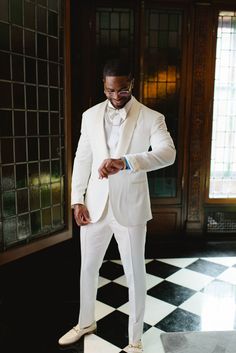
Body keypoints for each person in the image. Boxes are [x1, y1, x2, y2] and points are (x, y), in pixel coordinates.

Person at [58, 58, 176, 352]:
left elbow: (168, 153)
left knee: (135, 273)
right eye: (110, 91)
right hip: (95, 207)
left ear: (131, 84)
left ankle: (134, 340)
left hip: (131, 208)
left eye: (122, 91)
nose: (115, 97)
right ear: (104, 85)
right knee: (88, 268)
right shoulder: (89, 115)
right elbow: (82, 159)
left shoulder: (152, 117)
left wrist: (126, 162)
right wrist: (77, 200)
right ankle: (85, 321)